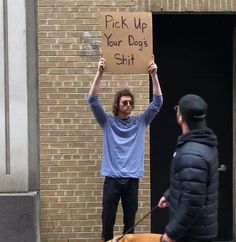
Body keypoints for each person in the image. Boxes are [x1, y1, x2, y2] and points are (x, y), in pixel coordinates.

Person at [88, 54, 163, 242]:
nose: (128, 105)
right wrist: (99, 73)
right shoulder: (107, 122)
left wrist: (153, 75)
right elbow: (92, 100)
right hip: (112, 178)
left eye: (130, 102)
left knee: (130, 224)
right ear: (118, 105)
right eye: (124, 102)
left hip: (131, 179)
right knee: (107, 221)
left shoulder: (140, 122)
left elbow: (157, 103)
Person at [158, 94, 219, 242]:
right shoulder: (205, 144)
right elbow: (194, 185)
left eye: (177, 110)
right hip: (200, 231)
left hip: (191, 235)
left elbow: (192, 203)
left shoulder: (191, 154)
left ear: (180, 117)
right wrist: (170, 194)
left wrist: (171, 234)